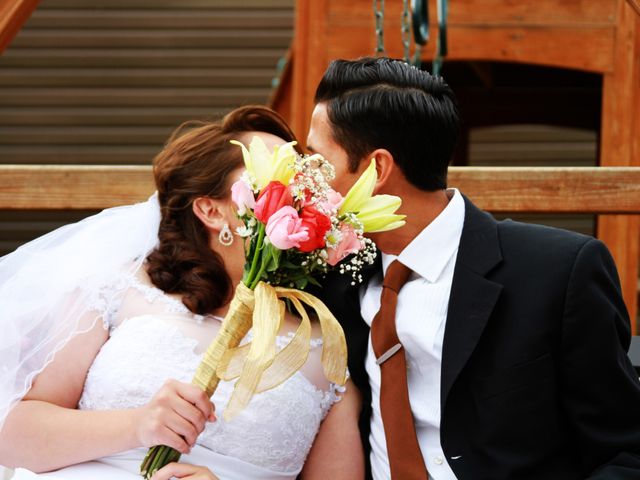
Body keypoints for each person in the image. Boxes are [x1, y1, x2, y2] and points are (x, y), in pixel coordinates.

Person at [307, 57, 640, 480]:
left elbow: (626, 453)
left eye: (317, 162)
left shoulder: (558, 272)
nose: (307, 178)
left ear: (376, 170)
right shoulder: (333, 274)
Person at [0, 105, 364, 480]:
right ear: (210, 209)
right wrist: (137, 425)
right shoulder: (116, 291)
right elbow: (12, 437)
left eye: (300, 176)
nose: (297, 190)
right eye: (273, 175)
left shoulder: (325, 353)